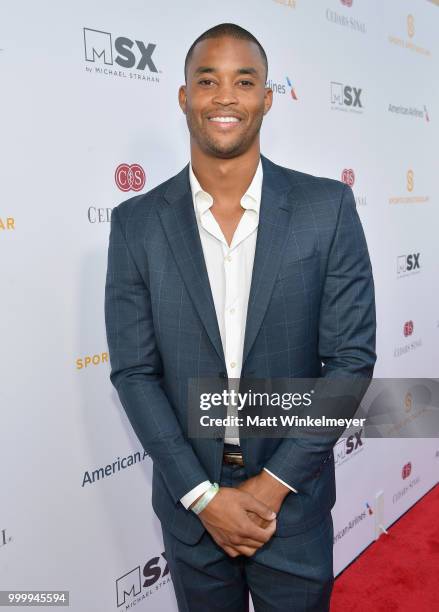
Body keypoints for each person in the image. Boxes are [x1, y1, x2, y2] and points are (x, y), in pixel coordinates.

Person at [104, 22, 376, 612]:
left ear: (266, 98)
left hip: (294, 501)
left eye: (244, 81)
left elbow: (350, 360)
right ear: (184, 97)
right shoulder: (136, 225)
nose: (225, 97)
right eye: (208, 80)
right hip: (190, 507)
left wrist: (272, 485)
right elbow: (134, 372)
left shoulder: (325, 209)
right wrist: (203, 496)